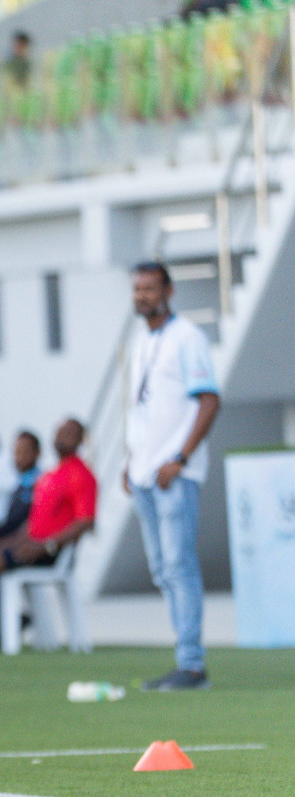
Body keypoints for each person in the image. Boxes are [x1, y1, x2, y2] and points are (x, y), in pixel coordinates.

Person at [124, 261, 221, 691]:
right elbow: (145, 408)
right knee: (162, 569)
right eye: (137, 289)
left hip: (173, 473)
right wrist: (131, 460)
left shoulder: (187, 337)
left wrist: (180, 457)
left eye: (149, 288)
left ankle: (192, 664)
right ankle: (185, 659)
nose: (142, 295)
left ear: (168, 291)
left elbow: (209, 400)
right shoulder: (141, 341)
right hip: (145, 472)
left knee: (179, 566)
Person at [0, 418, 96, 586]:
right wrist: (10, 542)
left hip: (47, 553)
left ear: (80, 439)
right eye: (59, 432)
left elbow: (86, 522)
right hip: (29, 546)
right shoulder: (49, 475)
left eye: (69, 433)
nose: (61, 437)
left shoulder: (82, 475)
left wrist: (48, 546)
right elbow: (34, 522)